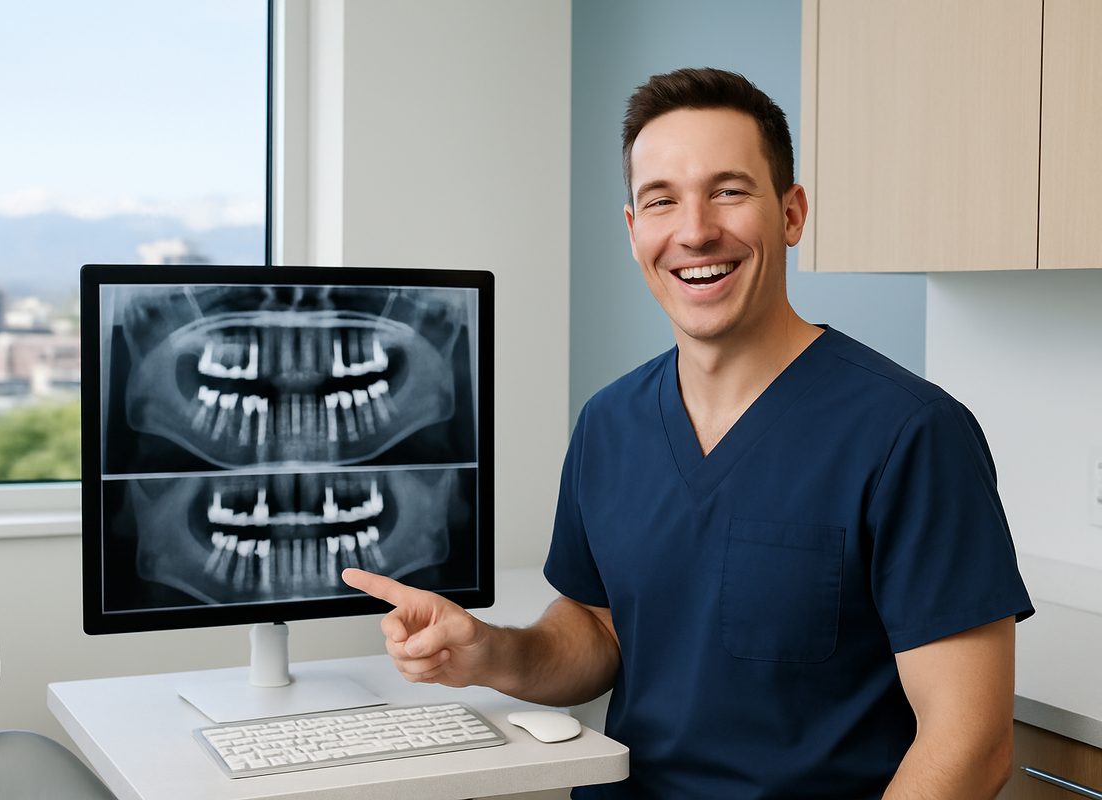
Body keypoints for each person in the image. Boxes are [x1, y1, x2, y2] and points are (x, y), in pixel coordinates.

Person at [343, 67, 1033, 799]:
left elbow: (971, 744)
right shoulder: (609, 423)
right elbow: (601, 633)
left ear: (792, 214)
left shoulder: (911, 435)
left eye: (729, 191)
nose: (695, 230)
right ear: (634, 229)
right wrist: (488, 654)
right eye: (661, 200)